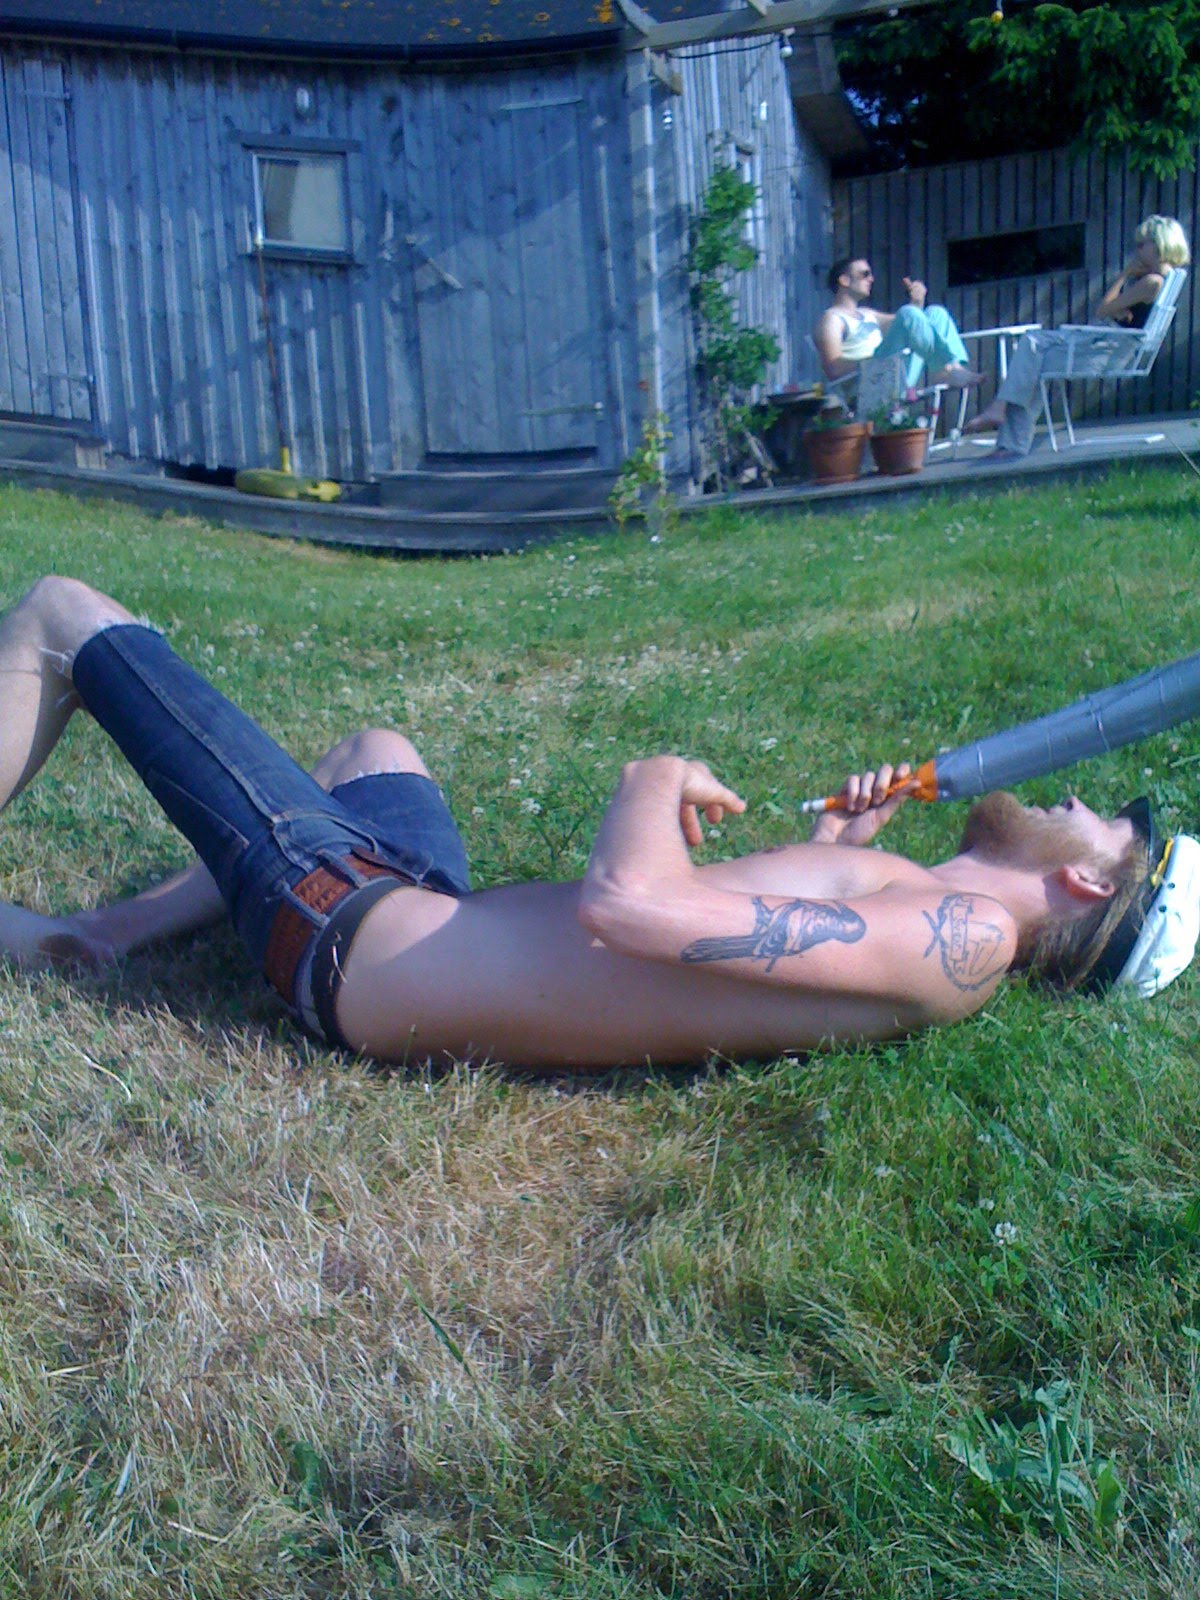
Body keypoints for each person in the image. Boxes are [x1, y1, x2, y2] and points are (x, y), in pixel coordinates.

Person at [0, 578, 1194, 1071]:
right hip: (420, 916)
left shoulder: (970, 938)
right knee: (375, 753)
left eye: (1108, 826)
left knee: (64, 614)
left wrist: (650, 776)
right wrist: (842, 853)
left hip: (346, 941)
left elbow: (630, 908)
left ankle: (107, 931)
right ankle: (104, 937)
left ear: (1094, 888)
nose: (1081, 803)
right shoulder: (926, 912)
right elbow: (745, 951)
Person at [965, 215, 1191, 459]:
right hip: (1113, 345)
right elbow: (1115, 310)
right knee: (1033, 354)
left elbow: (1102, 309)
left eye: (1141, 244)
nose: (1137, 250)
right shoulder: (1165, 278)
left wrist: (1124, 275)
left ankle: (1005, 425)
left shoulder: (1151, 282)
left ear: (1159, 245)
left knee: (1032, 352)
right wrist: (1118, 308)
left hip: (1108, 350)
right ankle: (1008, 438)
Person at [814, 257, 984, 392]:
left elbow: (909, 325)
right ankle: (946, 368)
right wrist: (873, 361)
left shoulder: (868, 314)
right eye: (865, 274)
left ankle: (951, 367)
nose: (871, 279)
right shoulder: (832, 319)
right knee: (907, 312)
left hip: (894, 373)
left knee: (935, 312)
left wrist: (917, 301)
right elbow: (834, 369)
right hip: (866, 382)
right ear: (844, 280)